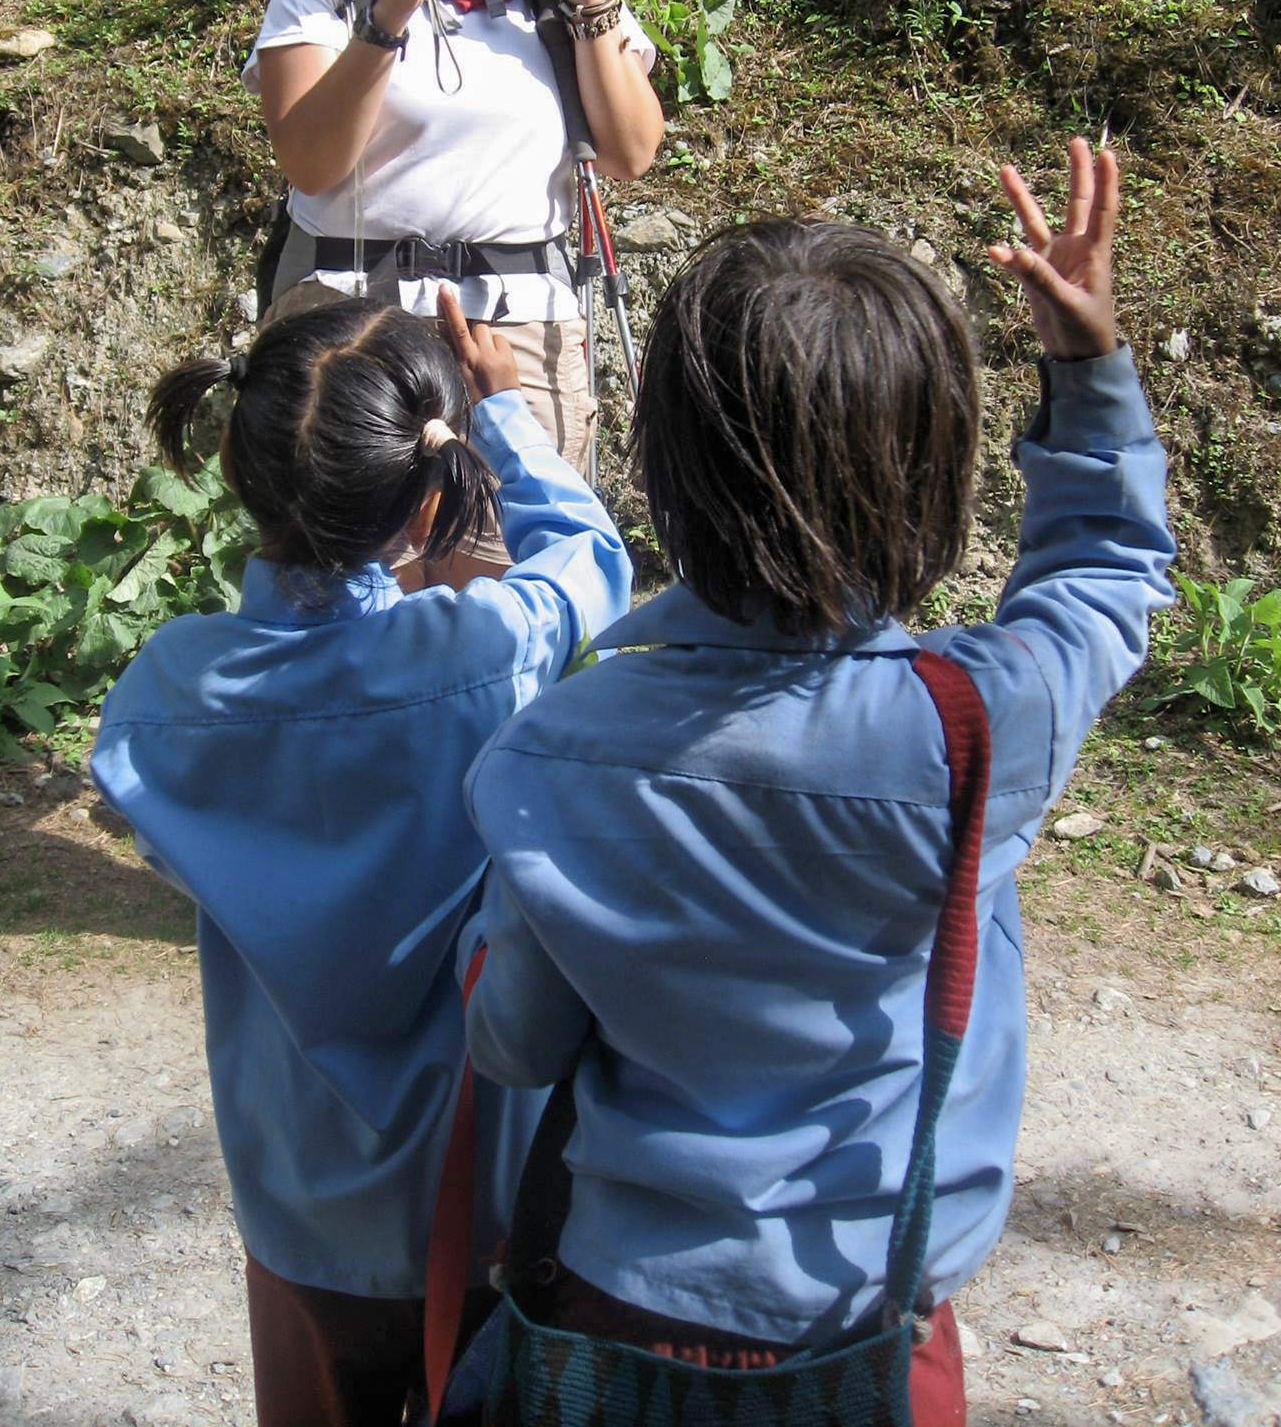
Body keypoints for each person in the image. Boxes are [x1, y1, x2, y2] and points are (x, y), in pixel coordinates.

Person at [461, 140, 1175, 1422]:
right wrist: (1087, 369)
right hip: (874, 1325)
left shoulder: (552, 747)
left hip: (621, 1311)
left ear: (669, 463)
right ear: (930, 465)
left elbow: (515, 1039)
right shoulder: (975, 724)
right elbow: (1108, 575)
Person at [91, 288, 631, 1427]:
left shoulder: (168, 693)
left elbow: (149, 824)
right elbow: (590, 555)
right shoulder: (479, 650)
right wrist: (509, 416)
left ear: (242, 471)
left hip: (292, 1191)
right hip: (472, 1187)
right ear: (434, 486)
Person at [247, 0, 664, 576]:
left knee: (514, 592)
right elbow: (311, 162)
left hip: (518, 341)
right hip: (351, 338)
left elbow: (631, 151)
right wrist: (391, 11)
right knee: (353, 592)